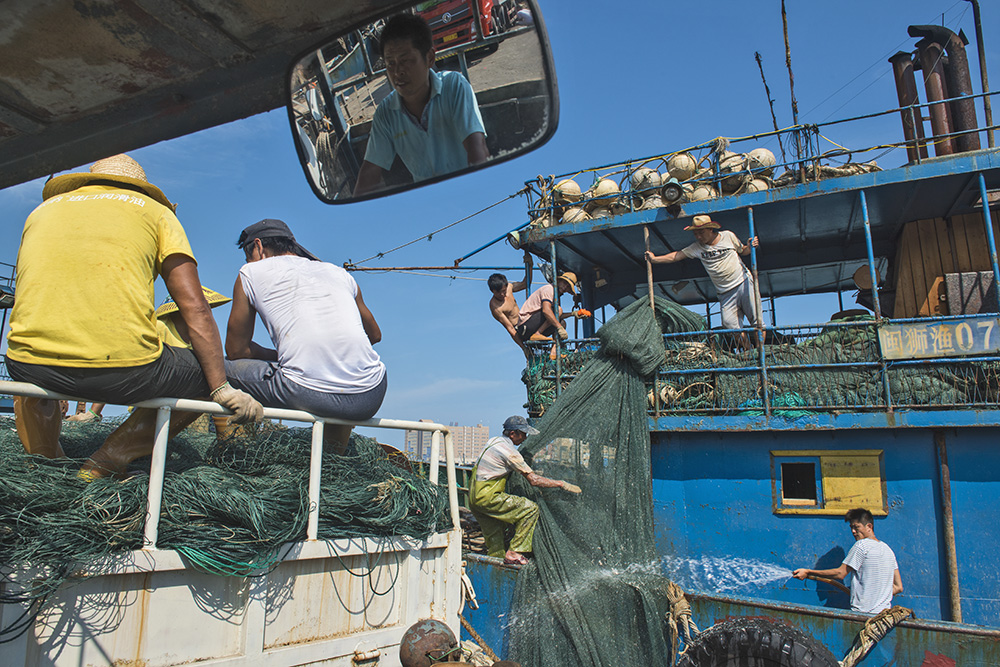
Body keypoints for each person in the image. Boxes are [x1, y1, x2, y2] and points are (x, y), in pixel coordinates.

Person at [4, 154, 263, 478]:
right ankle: (107, 461)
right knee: (207, 372)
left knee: (32, 371)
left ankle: (45, 463)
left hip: (26, 363)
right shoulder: (154, 212)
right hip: (122, 370)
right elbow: (195, 308)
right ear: (141, 188)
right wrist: (222, 388)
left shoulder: (40, 212)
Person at [226, 219, 387, 451]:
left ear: (258, 246)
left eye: (247, 255)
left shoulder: (250, 272)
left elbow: (236, 351)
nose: (247, 262)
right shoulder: (337, 272)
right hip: (372, 393)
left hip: (309, 394)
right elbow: (375, 335)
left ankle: (229, 447)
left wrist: (279, 356)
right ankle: (332, 461)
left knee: (209, 366)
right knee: (331, 375)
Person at [353, 14, 488, 196]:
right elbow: (370, 170)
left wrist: (479, 189)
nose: (397, 71)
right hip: (428, 202)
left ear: (430, 58)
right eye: (390, 63)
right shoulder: (385, 113)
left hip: (468, 190)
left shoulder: (453, 86)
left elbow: (476, 147)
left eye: (406, 60)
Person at [469, 415, 580, 565]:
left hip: (474, 498)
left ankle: (496, 568)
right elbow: (534, 480)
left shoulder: (494, 441)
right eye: (523, 434)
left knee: (495, 540)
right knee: (530, 509)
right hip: (488, 496)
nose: (525, 437)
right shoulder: (510, 452)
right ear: (513, 434)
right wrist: (561, 484)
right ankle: (515, 552)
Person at [644, 214, 762, 350]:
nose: (698, 237)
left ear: (711, 229)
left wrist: (750, 246)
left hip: (743, 282)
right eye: (695, 234)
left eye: (701, 232)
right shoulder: (697, 247)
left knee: (757, 321)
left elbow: (743, 251)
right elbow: (676, 256)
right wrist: (655, 259)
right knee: (730, 325)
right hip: (724, 292)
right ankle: (748, 349)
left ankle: (761, 353)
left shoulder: (728, 236)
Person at [792, 508, 903, 614]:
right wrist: (877, 594)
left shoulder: (862, 545)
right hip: (883, 616)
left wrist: (808, 572)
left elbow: (840, 573)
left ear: (869, 526)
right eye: (851, 528)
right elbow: (898, 587)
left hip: (863, 615)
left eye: (856, 527)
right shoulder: (888, 550)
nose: (853, 531)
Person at [515, 272, 579, 343]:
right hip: (525, 326)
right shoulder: (549, 289)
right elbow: (546, 310)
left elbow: (557, 315)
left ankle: (554, 351)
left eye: (568, 287)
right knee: (558, 312)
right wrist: (559, 327)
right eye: (564, 283)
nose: (564, 287)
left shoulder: (556, 295)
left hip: (534, 324)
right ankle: (537, 334)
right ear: (559, 281)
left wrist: (573, 314)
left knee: (562, 323)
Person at [488, 257, 533, 358]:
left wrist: (530, 266)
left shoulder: (509, 288)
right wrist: (523, 348)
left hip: (526, 320)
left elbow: (525, 283)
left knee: (558, 320)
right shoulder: (495, 307)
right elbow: (510, 329)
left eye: (504, 291)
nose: (503, 294)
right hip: (520, 328)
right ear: (493, 291)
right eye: (499, 293)